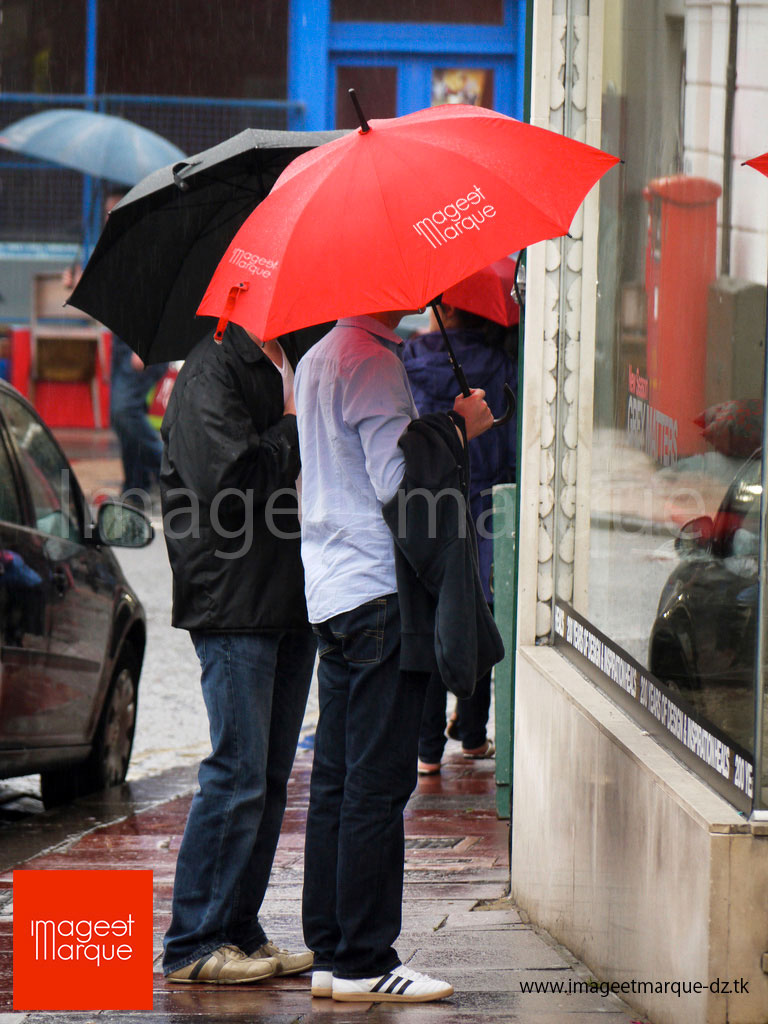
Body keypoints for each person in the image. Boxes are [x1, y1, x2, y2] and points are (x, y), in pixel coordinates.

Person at [294, 310, 496, 1004]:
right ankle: (364, 959)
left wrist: (433, 424)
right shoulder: (373, 363)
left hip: (330, 589)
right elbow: (393, 482)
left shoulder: (318, 355)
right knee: (377, 784)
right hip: (379, 593)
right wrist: (458, 428)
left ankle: (330, 951)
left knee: (337, 780)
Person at [160, 322, 316, 984]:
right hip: (233, 599)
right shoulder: (211, 371)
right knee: (238, 771)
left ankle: (239, 929)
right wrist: (291, 424)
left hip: (290, 590)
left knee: (270, 778)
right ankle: (194, 942)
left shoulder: (297, 356)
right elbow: (233, 484)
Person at [403, 301, 517, 775]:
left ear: (445, 311)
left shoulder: (407, 361)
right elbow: (511, 443)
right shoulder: (504, 365)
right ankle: (472, 733)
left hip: (431, 505)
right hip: (488, 506)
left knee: (431, 617)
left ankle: (427, 748)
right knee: (476, 613)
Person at [63, 188, 168, 503]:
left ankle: (170, 467)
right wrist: (78, 284)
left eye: (116, 211)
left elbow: (157, 298)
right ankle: (136, 488)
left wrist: (144, 344)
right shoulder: (115, 247)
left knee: (124, 412)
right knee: (123, 418)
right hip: (122, 344)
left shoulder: (145, 246)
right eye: (107, 212)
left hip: (141, 345)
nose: (110, 217)